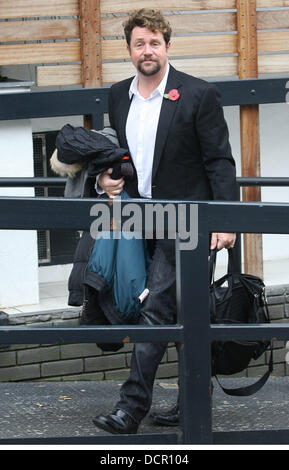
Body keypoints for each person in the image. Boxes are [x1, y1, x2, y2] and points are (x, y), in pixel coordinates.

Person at [92, 8, 237, 434]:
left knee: (156, 310)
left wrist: (225, 222)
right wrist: (105, 177)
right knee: (181, 315)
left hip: (189, 223)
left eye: (155, 43)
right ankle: (195, 398)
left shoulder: (197, 94)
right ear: (130, 50)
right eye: (140, 43)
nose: (148, 50)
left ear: (167, 47)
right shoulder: (119, 95)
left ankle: (130, 409)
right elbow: (120, 155)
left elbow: (220, 162)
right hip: (140, 220)